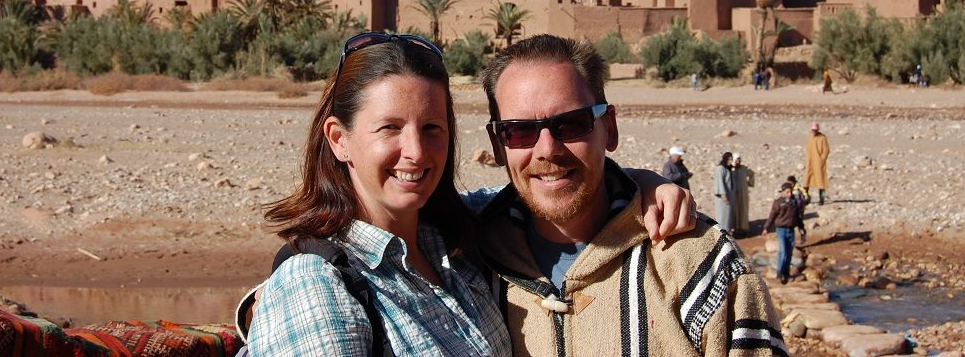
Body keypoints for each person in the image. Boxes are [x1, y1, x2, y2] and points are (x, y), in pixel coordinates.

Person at [240, 33, 695, 355]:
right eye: (390, 128)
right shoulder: (316, 285)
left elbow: (546, 185)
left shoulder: (456, 239)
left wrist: (642, 184)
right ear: (340, 140)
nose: (416, 152)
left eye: (432, 128)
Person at [477, 34, 785, 356]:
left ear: (609, 128)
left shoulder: (700, 264)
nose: (547, 150)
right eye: (519, 131)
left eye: (571, 124)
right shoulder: (470, 261)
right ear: (497, 144)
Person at [762, 183, 806, 284]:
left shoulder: (794, 202)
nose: (789, 194)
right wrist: (766, 228)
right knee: (783, 252)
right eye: (787, 192)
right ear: (783, 192)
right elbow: (772, 216)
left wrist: (802, 229)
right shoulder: (778, 203)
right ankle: (780, 273)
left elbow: (798, 217)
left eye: (790, 192)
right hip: (781, 230)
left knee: (789, 252)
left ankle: (786, 273)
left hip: (791, 230)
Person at [804, 121, 830, 206]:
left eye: (815, 130)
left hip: (818, 163)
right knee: (806, 181)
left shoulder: (822, 138)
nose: (814, 131)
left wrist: (821, 160)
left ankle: (822, 199)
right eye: (813, 130)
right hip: (810, 162)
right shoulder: (810, 136)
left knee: (821, 182)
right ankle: (805, 198)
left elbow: (826, 150)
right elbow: (807, 147)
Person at [732, 153, 755, 235]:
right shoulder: (730, 169)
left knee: (743, 210)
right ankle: (734, 228)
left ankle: (744, 228)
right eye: (736, 160)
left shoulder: (744, 169)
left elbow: (752, 174)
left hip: (743, 194)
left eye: (739, 159)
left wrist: (749, 183)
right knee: (734, 211)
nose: (738, 161)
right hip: (733, 194)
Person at [713, 151, 736, 234]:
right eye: (729, 159)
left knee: (728, 215)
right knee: (722, 215)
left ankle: (728, 231)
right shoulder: (720, 168)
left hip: (729, 195)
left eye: (731, 159)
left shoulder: (728, 168)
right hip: (722, 197)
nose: (730, 161)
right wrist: (723, 194)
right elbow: (720, 182)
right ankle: (722, 233)